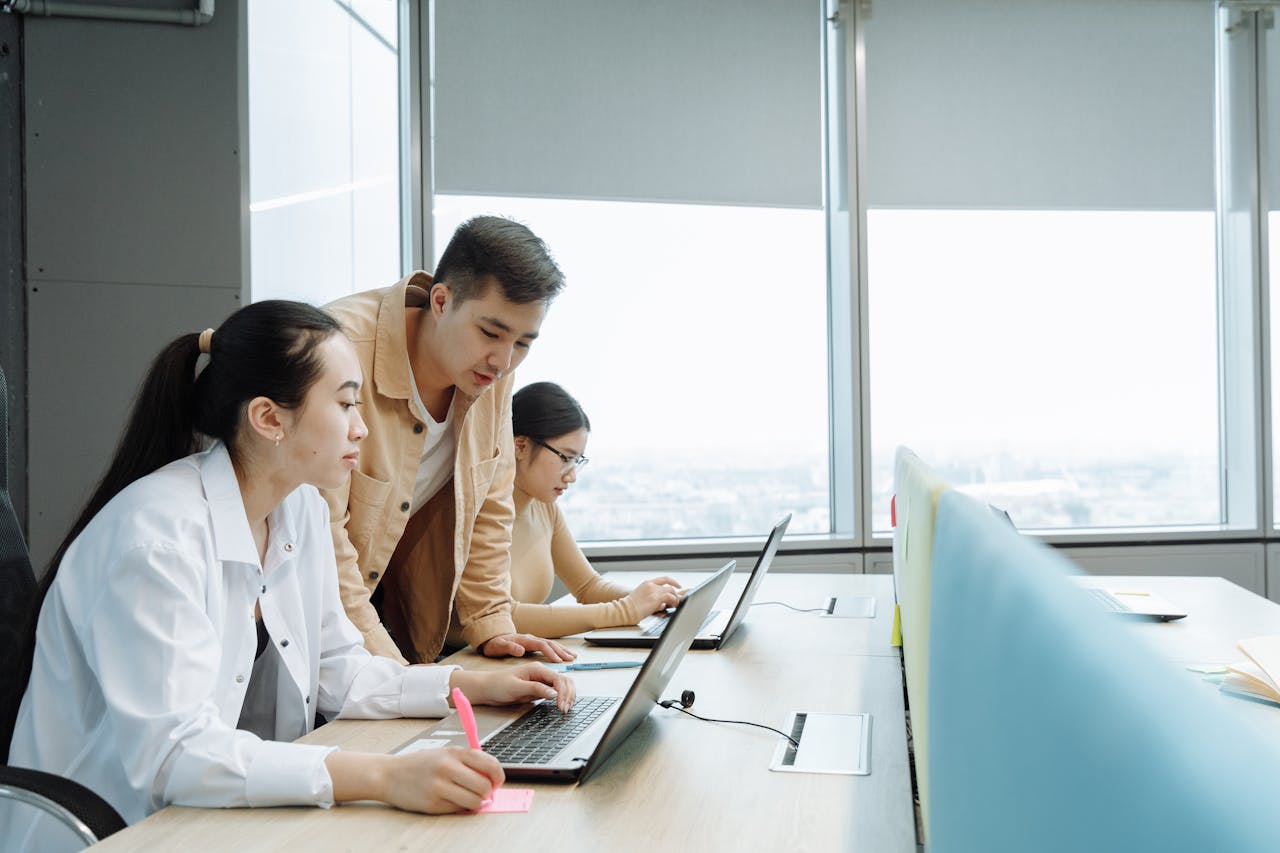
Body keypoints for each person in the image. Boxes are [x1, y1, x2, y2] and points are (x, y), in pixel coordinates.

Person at [4, 301, 574, 851]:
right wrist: (384, 777)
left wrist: (463, 686)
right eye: (347, 406)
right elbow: (172, 755)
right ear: (269, 418)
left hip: (213, 817)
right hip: (116, 830)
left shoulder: (297, 508)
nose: (362, 430)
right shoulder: (157, 539)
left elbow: (339, 670)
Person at [323, 216, 578, 665]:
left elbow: (491, 504)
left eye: (524, 342)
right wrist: (399, 676)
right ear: (441, 301)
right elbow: (323, 541)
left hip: (379, 619)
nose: (503, 361)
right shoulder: (339, 351)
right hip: (286, 615)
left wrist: (494, 625)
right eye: (491, 333)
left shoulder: (490, 372)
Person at [507, 382, 683, 637]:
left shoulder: (545, 510)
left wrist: (653, 599)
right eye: (565, 458)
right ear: (520, 446)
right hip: (462, 660)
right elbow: (500, 617)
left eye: (577, 461)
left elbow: (588, 586)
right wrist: (625, 610)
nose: (571, 476)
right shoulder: (479, 513)